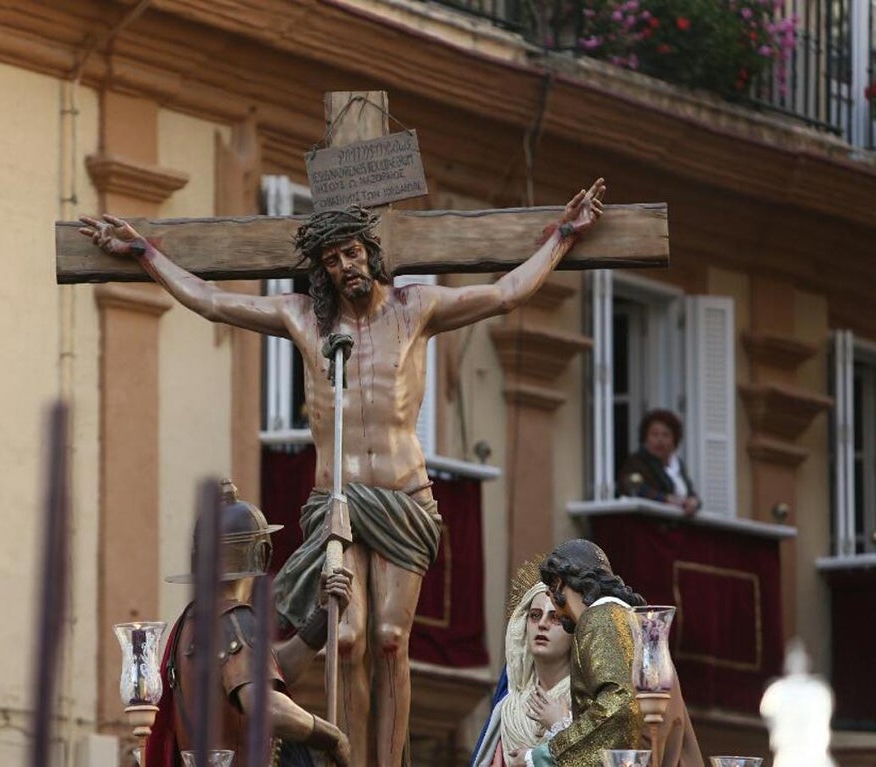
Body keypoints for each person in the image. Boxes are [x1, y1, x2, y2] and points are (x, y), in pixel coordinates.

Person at [81, 178, 606, 767]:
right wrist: (146, 255)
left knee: (389, 640)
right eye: (331, 260)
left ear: (370, 253)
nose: (344, 267)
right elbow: (212, 300)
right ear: (322, 271)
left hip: (405, 500)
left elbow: (507, 293)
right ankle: (352, 759)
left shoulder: (417, 309)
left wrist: (562, 236)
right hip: (336, 501)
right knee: (348, 639)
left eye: (352, 252)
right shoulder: (303, 319)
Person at [145, 480, 352, 767]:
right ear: (263, 553)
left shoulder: (194, 621)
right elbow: (264, 704)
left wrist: (320, 623)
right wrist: (332, 736)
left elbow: (265, 674)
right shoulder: (234, 619)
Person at [506, 539, 702, 767]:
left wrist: (541, 757)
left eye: (550, 593)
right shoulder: (627, 621)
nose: (554, 607)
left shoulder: (600, 619)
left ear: (559, 583)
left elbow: (621, 707)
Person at [470, 564, 573, 767]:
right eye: (535, 615)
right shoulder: (508, 710)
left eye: (556, 617)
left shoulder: (584, 701)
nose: (542, 624)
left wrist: (561, 728)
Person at [618, 409, 701, 516]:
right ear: (645, 438)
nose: (660, 440)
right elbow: (631, 486)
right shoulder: (637, 462)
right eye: (654, 434)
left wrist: (695, 502)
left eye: (666, 435)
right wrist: (665, 499)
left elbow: (689, 493)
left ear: (674, 440)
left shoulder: (678, 465)